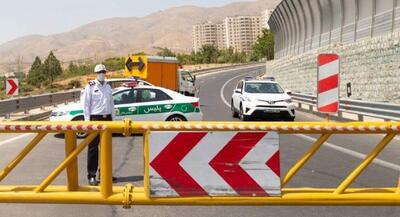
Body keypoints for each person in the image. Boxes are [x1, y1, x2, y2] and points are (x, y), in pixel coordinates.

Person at [83, 64, 115, 186]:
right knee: (93, 149)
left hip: (107, 119)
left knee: (106, 148)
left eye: (103, 71)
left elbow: (111, 104)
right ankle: (92, 175)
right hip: (95, 119)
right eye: (100, 72)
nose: (102, 73)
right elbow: (86, 105)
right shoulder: (90, 87)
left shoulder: (108, 86)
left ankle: (105, 174)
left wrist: (113, 119)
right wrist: (87, 122)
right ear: (96, 73)